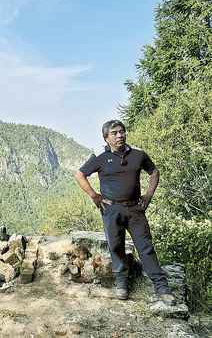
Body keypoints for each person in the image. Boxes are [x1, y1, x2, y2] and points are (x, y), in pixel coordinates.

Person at [74, 119, 176, 305]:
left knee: (145, 247)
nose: (120, 135)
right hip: (111, 209)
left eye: (122, 131)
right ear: (106, 138)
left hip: (135, 209)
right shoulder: (100, 158)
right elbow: (79, 174)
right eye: (115, 133)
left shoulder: (138, 154)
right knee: (115, 246)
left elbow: (154, 172)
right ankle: (121, 284)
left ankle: (162, 287)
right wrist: (94, 196)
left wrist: (148, 195)